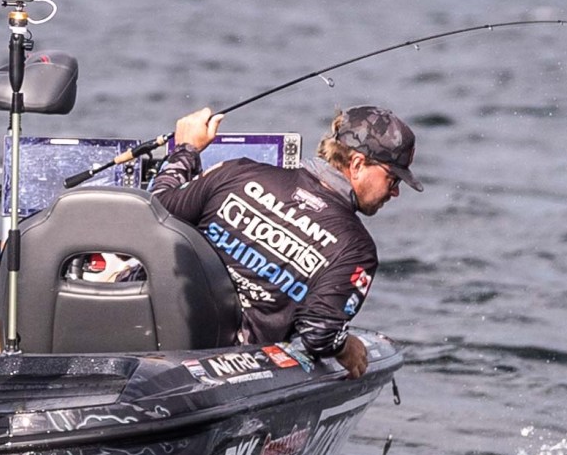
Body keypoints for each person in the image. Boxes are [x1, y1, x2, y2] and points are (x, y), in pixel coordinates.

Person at [151, 105, 422, 378]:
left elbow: (155, 210)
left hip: (148, 332)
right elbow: (319, 333)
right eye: (393, 179)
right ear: (357, 164)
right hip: (220, 368)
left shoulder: (236, 172)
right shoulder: (356, 249)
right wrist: (344, 346)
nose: (395, 192)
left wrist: (186, 150)